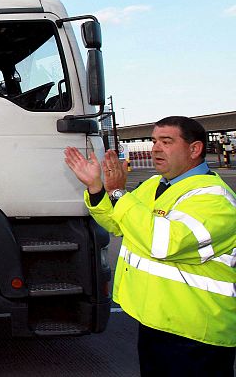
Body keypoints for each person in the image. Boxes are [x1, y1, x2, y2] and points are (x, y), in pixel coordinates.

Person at [64, 116, 236, 376]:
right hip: (156, 322)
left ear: (194, 149)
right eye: (154, 141)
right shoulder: (154, 185)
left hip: (196, 331)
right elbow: (118, 223)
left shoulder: (213, 197)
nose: (155, 148)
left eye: (166, 141)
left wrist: (119, 194)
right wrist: (97, 188)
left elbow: (164, 243)